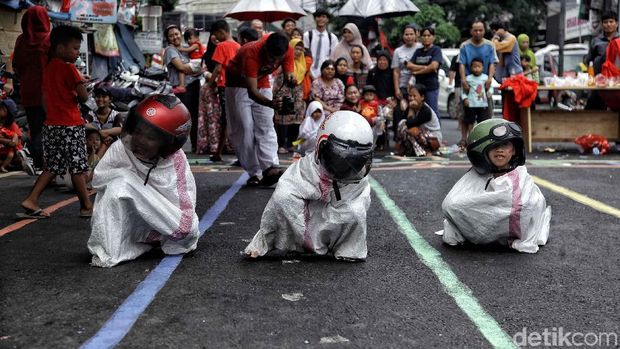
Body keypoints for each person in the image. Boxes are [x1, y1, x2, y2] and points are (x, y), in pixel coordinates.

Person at [244, 110, 374, 261]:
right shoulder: (307, 166)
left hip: (337, 210)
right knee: (282, 198)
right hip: (306, 215)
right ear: (320, 146)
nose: (347, 165)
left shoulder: (359, 179)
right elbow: (285, 191)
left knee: (355, 212)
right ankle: (280, 243)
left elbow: (358, 204)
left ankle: (348, 249)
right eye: (340, 157)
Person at [87, 95, 200, 267]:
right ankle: (118, 247)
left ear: (168, 142)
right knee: (118, 185)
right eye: (138, 132)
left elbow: (183, 221)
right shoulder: (122, 147)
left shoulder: (175, 160)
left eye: (150, 137)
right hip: (133, 221)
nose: (140, 141)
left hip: (162, 217)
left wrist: (134, 187)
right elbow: (98, 179)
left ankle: (150, 239)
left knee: (187, 232)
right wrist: (128, 181)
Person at [439, 119, 551, 253]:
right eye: (493, 146)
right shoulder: (475, 177)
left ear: (514, 150)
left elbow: (529, 209)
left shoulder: (522, 182)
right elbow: (451, 205)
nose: (500, 150)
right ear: (481, 150)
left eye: (505, 144)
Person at [19, 25, 92, 219]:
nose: (77, 53)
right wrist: (83, 86)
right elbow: (83, 97)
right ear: (60, 47)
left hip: (51, 124)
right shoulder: (70, 69)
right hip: (70, 124)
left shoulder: (49, 68)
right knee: (77, 167)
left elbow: (44, 98)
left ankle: (32, 199)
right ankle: (86, 206)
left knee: (52, 166)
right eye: (75, 48)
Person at [225, 32, 295, 187]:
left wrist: (291, 79)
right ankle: (254, 172)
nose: (273, 62)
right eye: (271, 57)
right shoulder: (251, 52)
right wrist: (271, 104)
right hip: (238, 85)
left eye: (278, 59)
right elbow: (252, 92)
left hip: (262, 83)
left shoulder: (287, 48)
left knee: (266, 126)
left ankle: (271, 168)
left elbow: (289, 71)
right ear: (265, 48)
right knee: (245, 128)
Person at [12, 5, 51, 170]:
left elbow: (15, 66)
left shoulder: (21, 40)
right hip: (48, 92)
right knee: (51, 128)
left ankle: (40, 163)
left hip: (28, 92)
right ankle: (49, 166)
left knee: (36, 128)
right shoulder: (49, 40)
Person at [163, 25, 201, 153]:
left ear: (181, 34)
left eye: (177, 34)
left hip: (194, 85)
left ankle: (196, 146)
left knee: (195, 117)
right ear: (168, 39)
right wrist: (198, 68)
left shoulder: (184, 49)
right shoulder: (170, 50)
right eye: (171, 35)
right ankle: (176, 148)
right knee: (184, 118)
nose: (175, 37)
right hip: (184, 90)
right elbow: (181, 67)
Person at [206, 20, 240, 162]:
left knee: (226, 120)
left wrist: (209, 83)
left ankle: (219, 152)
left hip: (224, 85)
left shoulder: (222, 46)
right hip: (238, 86)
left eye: (216, 35)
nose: (216, 38)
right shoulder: (239, 46)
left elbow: (218, 68)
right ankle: (224, 152)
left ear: (221, 31)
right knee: (235, 120)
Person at [458, 20, 498, 118]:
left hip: (484, 84)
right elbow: (461, 64)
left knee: (486, 116)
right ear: (471, 31)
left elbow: (492, 63)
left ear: (484, 31)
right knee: (466, 117)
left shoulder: (490, 45)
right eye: (475, 30)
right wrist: (463, 80)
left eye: (480, 30)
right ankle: (466, 134)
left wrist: (489, 79)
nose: (478, 33)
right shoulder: (464, 46)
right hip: (469, 84)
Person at [273, 38, 307, 154]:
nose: (299, 51)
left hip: (297, 95)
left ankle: (291, 144)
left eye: (301, 49)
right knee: (283, 119)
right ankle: (281, 144)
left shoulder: (302, 63)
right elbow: (279, 80)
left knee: (296, 119)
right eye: (296, 48)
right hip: (284, 93)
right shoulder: (285, 62)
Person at [391, 25, 423, 138]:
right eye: (406, 34)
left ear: (416, 35)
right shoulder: (398, 51)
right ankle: (399, 137)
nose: (409, 36)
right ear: (403, 36)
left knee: (417, 112)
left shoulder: (421, 48)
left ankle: (418, 137)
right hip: (403, 87)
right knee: (399, 111)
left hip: (418, 87)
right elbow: (396, 71)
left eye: (411, 34)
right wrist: (397, 89)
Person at [395, 83, 442, 157]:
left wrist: (410, 109)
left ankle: (426, 151)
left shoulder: (426, 110)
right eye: (410, 96)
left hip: (434, 138)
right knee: (402, 124)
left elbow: (410, 124)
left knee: (413, 130)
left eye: (414, 96)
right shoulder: (413, 106)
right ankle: (408, 149)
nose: (411, 98)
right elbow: (404, 120)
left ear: (422, 97)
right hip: (422, 135)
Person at [490, 21, 523, 121]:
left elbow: (495, 46)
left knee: (514, 103)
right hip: (507, 76)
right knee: (507, 103)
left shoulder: (511, 38)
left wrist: (496, 36)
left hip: (515, 75)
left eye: (493, 31)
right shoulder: (504, 39)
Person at [407, 27, 443, 116]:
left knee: (432, 111)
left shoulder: (436, 50)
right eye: (424, 36)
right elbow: (409, 65)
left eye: (428, 35)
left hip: (431, 87)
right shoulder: (418, 51)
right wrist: (425, 67)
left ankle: (436, 130)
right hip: (418, 88)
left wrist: (418, 72)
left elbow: (434, 66)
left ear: (433, 37)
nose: (426, 38)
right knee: (419, 111)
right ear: (421, 38)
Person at [586, 11, 619, 109]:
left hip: (616, 84)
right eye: (605, 22)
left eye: (611, 21)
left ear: (617, 24)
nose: (608, 24)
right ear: (602, 24)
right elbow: (589, 61)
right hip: (599, 83)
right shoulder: (596, 41)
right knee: (594, 110)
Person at [461, 58, 492, 146]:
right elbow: (463, 91)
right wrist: (465, 98)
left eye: (479, 67)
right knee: (470, 122)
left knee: (482, 122)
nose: (476, 69)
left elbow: (490, 88)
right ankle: (471, 139)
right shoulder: (468, 78)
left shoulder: (485, 78)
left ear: (482, 67)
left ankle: (482, 139)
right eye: (474, 67)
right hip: (471, 104)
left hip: (483, 104)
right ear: (471, 68)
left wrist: (489, 93)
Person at [0, 99, 34, 174]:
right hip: (3, 150)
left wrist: (2, 140)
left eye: (1, 108)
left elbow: (15, 143)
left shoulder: (12, 126)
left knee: (14, 153)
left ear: (6, 111)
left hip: (11, 152)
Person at [303, 8, 338, 79]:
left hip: (326, 73)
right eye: (318, 16)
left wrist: (326, 73)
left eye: (323, 17)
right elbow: (303, 55)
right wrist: (309, 73)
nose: (321, 19)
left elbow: (333, 58)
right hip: (308, 72)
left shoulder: (332, 37)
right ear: (315, 18)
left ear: (327, 19)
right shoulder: (307, 35)